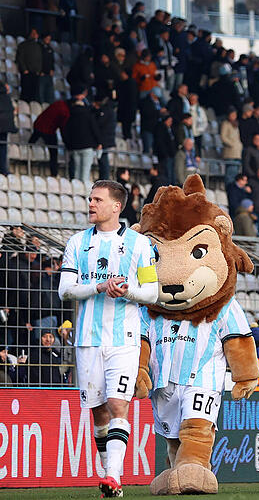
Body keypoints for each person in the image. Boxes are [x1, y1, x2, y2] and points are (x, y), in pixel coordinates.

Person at [57, 181, 160, 497]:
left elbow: (153, 292)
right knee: (99, 412)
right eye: (89, 198)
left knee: (118, 404)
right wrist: (99, 287)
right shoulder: (76, 242)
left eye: (97, 199)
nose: (90, 203)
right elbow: (65, 290)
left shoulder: (139, 245)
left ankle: (114, 476)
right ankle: (109, 478)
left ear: (116, 206)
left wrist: (127, 290)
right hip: (88, 340)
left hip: (124, 340)